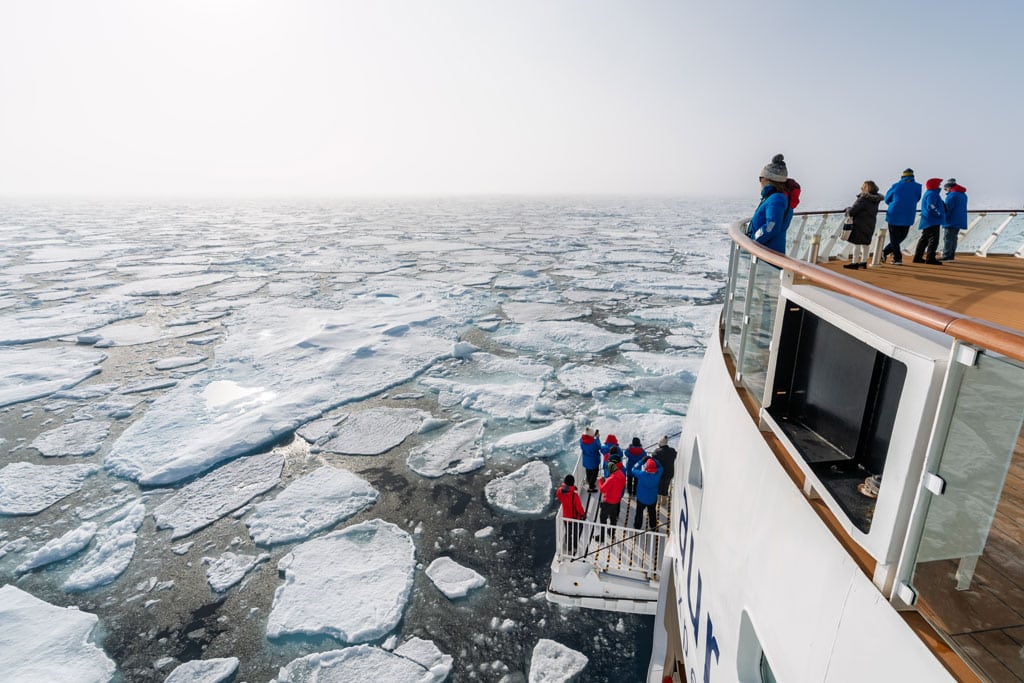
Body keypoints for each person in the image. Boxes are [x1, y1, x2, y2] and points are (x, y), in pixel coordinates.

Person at [748, 154, 794, 254]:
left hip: (766, 257)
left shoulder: (776, 199)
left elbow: (771, 226)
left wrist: (754, 239)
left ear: (768, 179)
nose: (760, 181)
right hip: (765, 253)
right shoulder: (775, 197)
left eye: (761, 178)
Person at [882, 169, 922, 265]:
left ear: (902, 177)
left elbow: (887, 199)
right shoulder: (918, 187)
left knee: (894, 238)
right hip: (908, 215)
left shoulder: (896, 186)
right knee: (902, 237)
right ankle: (889, 254)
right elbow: (917, 199)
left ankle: (894, 257)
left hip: (894, 214)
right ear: (913, 177)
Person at [842, 180, 884, 270]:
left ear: (865, 188)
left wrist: (847, 209)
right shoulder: (876, 200)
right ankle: (863, 262)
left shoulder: (863, 199)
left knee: (856, 243)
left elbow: (852, 211)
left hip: (860, 223)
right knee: (865, 243)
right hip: (870, 223)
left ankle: (854, 263)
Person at [912, 178, 947, 265]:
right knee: (933, 240)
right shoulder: (932, 194)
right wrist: (939, 213)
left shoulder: (930, 193)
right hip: (932, 220)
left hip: (928, 219)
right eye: (938, 184)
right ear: (934, 185)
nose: (940, 186)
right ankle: (930, 258)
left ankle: (918, 257)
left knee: (924, 239)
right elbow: (931, 206)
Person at [597, 455, 626, 541]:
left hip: (608, 502)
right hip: (616, 501)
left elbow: (602, 489)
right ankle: (612, 533)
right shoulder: (622, 475)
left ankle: (602, 537)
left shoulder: (611, 479)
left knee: (603, 518)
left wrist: (600, 481)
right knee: (613, 518)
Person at [555, 474, 586, 555]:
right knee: (575, 533)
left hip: (566, 517)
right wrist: (583, 514)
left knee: (568, 533)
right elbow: (579, 507)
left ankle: (568, 547)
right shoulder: (574, 495)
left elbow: (559, 495)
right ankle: (575, 547)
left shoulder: (560, 491)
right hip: (574, 518)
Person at [941, 179, 969, 261]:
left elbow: (948, 208)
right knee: (953, 238)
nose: (945, 191)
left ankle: (946, 256)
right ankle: (951, 256)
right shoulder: (963, 195)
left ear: (949, 187)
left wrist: (943, 218)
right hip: (959, 219)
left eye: (945, 189)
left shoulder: (952, 195)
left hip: (951, 220)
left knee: (948, 238)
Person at [579, 427, 601, 492]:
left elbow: (583, 445)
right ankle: (591, 487)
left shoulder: (581, 440)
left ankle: (589, 483)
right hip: (593, 460)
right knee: (595, 472)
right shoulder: (594, 442)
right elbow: (599, 447)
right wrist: (597, 438)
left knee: (588, 472)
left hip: (586, 460)